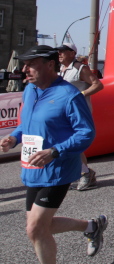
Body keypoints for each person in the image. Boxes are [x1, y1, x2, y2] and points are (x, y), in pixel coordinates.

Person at [0, 45, 107, 263]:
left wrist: (55, 151)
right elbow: (26, 124)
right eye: (24, 65)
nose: (25, 69)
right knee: (39, 226)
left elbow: (86, 133)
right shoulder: (30, 90)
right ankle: (92, 226)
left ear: (50, 65)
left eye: (31, 64)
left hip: (57, 169)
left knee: (35, 228)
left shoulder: (69, 95)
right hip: (33, 168)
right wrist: (14, 138)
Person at [57, 42, 104, 191]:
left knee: (72, 143)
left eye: (63, 51)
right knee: (68, 143)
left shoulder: (80, 68)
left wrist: (80, 95)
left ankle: (85, 173)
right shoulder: (60, 69)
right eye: (59, 51)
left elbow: (98, 84)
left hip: (78, 112)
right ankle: (84, 173)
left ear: (72, 53)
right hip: (64, 112)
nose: (59, 54)